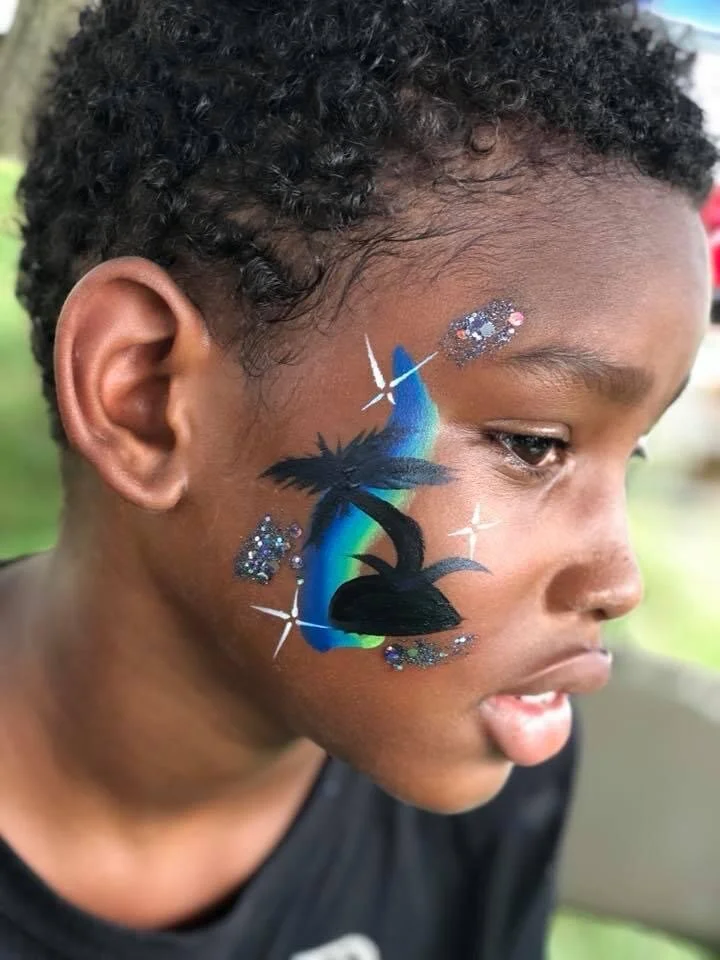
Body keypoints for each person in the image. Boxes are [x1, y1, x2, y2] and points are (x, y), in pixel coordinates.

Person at [0, 1, 715, 958]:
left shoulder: (499, 753)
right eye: (535, 443)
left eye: (625, 456)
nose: (617, 582)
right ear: (145, 393)